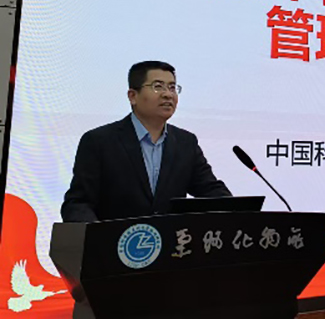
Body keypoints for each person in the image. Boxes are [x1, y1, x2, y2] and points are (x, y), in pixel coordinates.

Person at [61, 61, 231, 222]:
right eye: (158, 86)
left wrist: (238, 211)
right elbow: (78, 203)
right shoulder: (99, 141)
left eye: (172, 87)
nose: (168, 94)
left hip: (170, 241)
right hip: (116, 240)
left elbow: (210, 191)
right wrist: (98, 234)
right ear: (132, 96)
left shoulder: (186, 142)